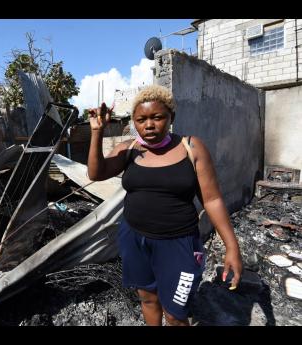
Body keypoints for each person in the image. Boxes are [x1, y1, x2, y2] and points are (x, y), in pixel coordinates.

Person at [87, 85, 242, 326]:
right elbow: (95, 174)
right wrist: (97, 133)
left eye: (157, 117)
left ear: (171, 118)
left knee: (175, 314)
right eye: (141, 119)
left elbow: (211, 200)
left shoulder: (191, 148)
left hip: (179, 244)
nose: (149, 125)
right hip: (134, 238)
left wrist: (231, 246)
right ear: (134, 122)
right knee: (148, 299)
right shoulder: (129, 150)